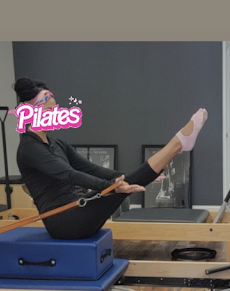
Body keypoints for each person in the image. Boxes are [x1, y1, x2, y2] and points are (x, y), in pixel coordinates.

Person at [13, 77, 208, 240]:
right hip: (62, 223)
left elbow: (91, 169)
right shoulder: (29, 148)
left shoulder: (57, 144)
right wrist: (112, 186)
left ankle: (177, 146)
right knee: (121, 186)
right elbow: (69, 174)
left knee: (125, 181)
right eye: (49, 111)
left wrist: (120, 179)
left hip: (75, 209)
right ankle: (177, 144)